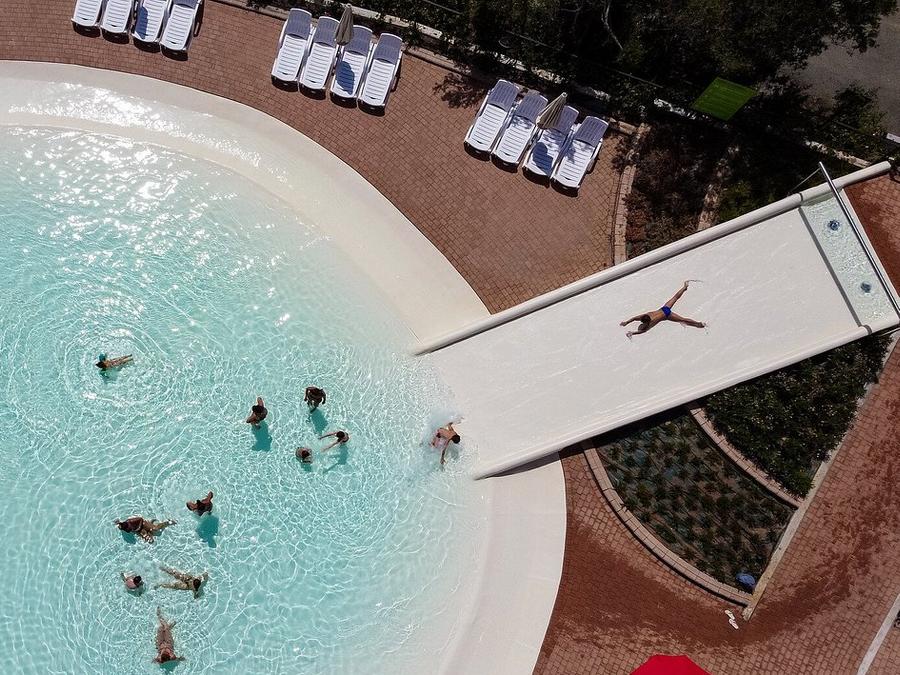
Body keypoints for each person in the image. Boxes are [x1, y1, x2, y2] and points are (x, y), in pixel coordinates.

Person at [620, 281, 705, 338]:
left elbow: (643, 331)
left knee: (683, 319)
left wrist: (632, 332)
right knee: (675, 297)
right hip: (664, 308)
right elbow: (634, 318)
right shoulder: (646, 315)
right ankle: (684, 287)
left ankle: (699, 324)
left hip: (667, 315)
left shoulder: (649, 322)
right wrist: (626, 322)